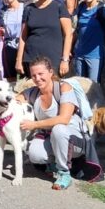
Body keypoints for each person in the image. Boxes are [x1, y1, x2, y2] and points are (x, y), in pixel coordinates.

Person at [19, 57, 88, 191]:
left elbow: (64, 119)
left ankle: (64, 173)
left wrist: (34, 124)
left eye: (41, 74)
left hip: (74, 140)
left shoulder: (64, 87)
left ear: (51, 72)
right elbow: (14, 100)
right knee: (34, 154)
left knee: (59, 129)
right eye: (33, 75)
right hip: (52, 138)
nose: (37, 78)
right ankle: (55, 163)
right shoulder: (33, 92)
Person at [15, 0, 72, 77]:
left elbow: (68, 34)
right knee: (33, 90)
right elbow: (23, 36)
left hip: (53, 58)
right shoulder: (28, 9)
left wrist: (65, 59)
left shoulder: (59, 7)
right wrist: (19, 60)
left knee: (54, 90)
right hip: (31, 58)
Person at [72, 0, 105, 84]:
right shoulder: (81, 8)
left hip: (95, 55)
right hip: (79, 53)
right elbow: (75, 29)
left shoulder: (103, 9)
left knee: (93, 86)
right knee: (79, 85)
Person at [0, 0, 23, 81]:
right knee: (11, 77)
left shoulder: (26, 7)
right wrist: (0, 29)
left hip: (24, 45)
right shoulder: (3, 12)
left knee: (26, 75)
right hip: (9, 46)